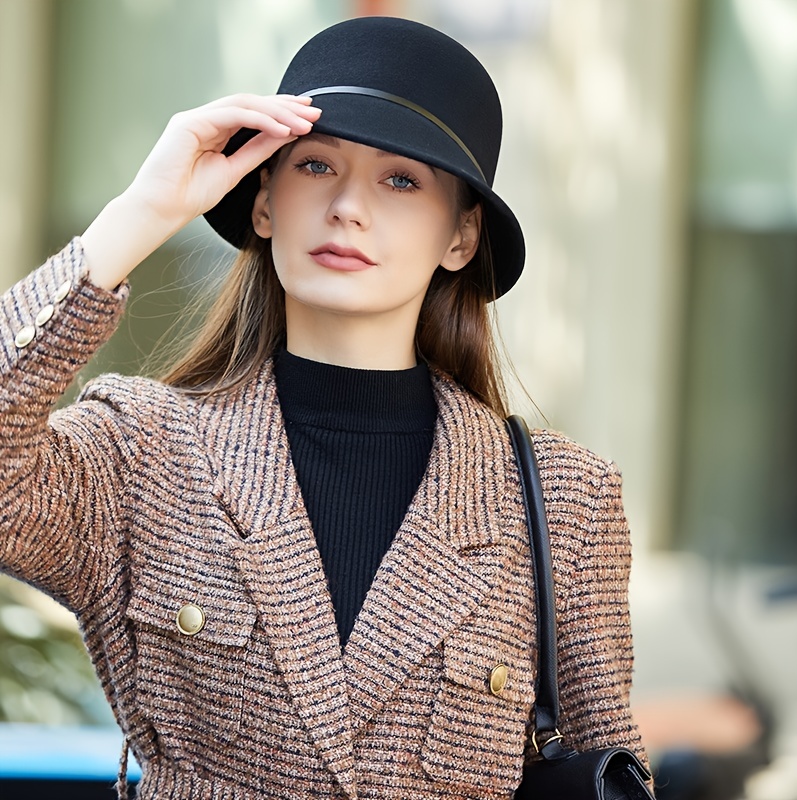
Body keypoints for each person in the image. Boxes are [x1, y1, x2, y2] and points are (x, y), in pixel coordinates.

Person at [0, 16, 648, 800]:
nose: (348, 206)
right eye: (314, 165)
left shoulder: (563, 501)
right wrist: (141, 212)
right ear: (264, 202)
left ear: (462, 236)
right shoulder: (144, 451)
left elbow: (606, 767)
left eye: (401, 179)